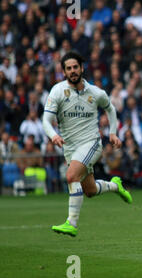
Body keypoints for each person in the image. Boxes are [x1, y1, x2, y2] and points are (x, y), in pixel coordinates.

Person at [42, 51, 133, 237]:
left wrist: (113, 133)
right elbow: (46, 120)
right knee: (90, 190)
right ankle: (115, 186)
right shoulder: (57, 91)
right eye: (69, 68)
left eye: (76, 67)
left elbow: (110, 109)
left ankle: (71, 223)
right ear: (64, 72)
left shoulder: (96, 92)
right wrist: (53, 136)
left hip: (91, 143)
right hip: (70, 148)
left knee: (71, 176)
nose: (73, 71)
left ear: (82, 68)